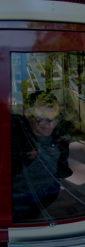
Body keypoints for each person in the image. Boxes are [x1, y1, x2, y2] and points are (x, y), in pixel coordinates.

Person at [11, 91, 72, 220]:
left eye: (54, 117)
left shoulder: (59, 135)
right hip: (19, 196)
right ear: (27, 114)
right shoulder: (14, 132)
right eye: (41, 117)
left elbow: (61, 164)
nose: (49, 124)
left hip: (49, 191)